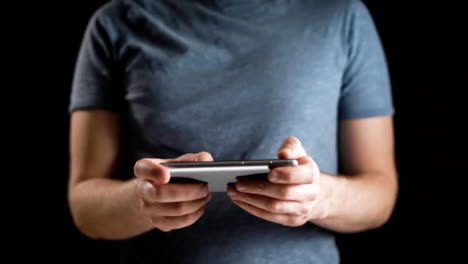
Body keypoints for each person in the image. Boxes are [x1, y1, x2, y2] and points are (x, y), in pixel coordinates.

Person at [68, 0, 398, 263]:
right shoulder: (116, 22)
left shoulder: (341, 15)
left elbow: (380, 194)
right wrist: (142, 199)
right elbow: (85, 208)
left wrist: (319, 198)